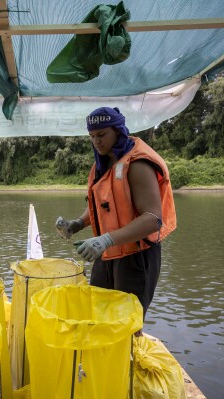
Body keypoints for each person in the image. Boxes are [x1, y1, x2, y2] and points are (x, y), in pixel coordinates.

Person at [55, 107, 176, 323]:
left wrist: (107, 239)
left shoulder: (137, 163)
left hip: (136, 257)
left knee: (126, 324)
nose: (96, 142)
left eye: (102, 135)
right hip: (107, 253)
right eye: (92, 136)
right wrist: (77, 224)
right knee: (99, 315)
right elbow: (103, 205)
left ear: (118, 131)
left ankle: (128, 355)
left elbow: (153, 219)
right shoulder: (101, 165)